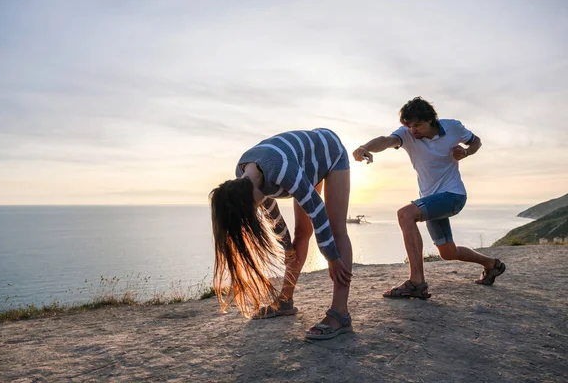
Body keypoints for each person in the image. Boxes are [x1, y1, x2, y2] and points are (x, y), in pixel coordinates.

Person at [353, 97, 506, 299]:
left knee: (405, 214)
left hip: (453, 195)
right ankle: (492, 264)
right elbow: (387, 140)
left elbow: (475, 141)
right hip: (431, 199)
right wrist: (365, 147)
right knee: (447, 252)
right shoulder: (406, 135)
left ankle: (416, 282)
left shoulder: (453, 127)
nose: (413, 130)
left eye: (417, 125)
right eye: (408, 126)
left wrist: (467, 152)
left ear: (431, 120)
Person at [209, 128, 353, 340]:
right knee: (301, 233)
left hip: (329, 151)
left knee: (336, 228)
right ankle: (285, 301)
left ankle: (340, 313)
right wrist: (286, 246)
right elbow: (272, 213)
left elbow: (316, 208)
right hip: (303, 162)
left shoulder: (281, 169)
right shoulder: (244, 177)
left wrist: (330, 256)